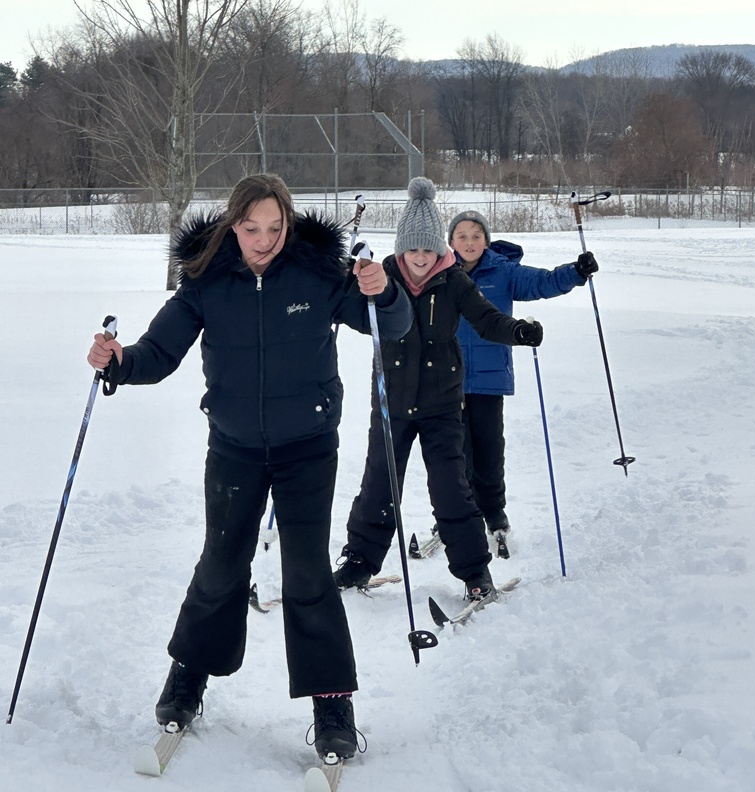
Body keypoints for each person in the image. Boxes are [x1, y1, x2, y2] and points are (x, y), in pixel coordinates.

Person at [86, 174, 412, 759]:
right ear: (232, 226)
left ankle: (332, 700)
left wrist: (382, 290)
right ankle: (189, 675)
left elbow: (391, 327)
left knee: (308, 570)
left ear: (288, 225)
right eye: (251, 228)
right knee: (221, 560)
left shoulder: (316, 274)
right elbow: (158, 354)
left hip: (308, 446)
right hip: (234, 446)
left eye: (275, 228)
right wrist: (117, 361)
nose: (264, 240)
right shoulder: (208, 283)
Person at [333, 177, 543, 601]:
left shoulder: (454, 281)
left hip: (443, 403)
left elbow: (486, 319)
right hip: (391, 401)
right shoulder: (382, 276)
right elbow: (346, 304)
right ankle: (358, 562)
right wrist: (343, 277)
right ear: (401, 249)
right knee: (379, 484)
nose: (422, 259)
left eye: (429, 250)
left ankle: (474, 573)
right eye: (413, 250)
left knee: (451, 488)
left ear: (440, 250)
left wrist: (518, 331)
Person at [447, 209, 598, 551]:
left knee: (488, 450)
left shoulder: (502, 271)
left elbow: (541, 282)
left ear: (486, 240)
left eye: (476, 236)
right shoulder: (441, 271)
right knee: (454, 453)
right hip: (447, 378)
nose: (469, 242)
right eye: (462, 236)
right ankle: (453, 513)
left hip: (488, 378)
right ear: (451, 242)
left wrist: (575, 272)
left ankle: (494, 515)